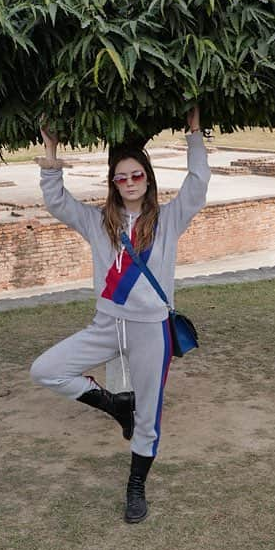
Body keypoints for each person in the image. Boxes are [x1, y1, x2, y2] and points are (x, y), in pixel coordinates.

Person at [30, 107, 210, 523]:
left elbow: (197, 185)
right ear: (113, 183)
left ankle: (136, 487)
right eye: (121, 177)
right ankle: (115, 407)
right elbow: (57, 201)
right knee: (46, 370)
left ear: (147, 178)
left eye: (137, 175)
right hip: (106, 325)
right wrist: (51, 151)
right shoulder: (99, 222)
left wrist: (195, 134)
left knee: (149, 414)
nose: (130, 183)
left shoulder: (168, 220)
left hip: (151, 331)